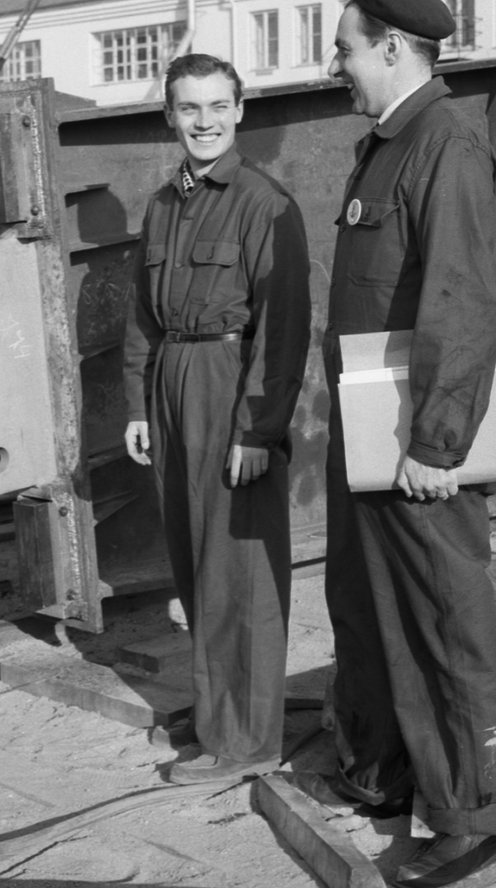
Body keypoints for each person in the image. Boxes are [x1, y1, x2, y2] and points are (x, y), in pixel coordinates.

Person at [317, 0, 496, 887]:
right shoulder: (389, 147)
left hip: (417, 446)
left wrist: (438, 446)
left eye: (347, 49)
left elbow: (463, 301)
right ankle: (390, 773)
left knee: (444, 619)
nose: (338, 66)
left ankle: (472, 815)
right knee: (369, 608)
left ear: (393, 48)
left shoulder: (445, 144)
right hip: (374, 436)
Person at [124, 53, 311, 784]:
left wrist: (257, 429)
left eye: (217, 106)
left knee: (239, 572)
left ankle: (245, 741)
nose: (204, 121)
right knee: (195, 560)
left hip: (230, 385)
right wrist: (140, 404)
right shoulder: (163, 203)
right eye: (189, 108)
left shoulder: (264, 203)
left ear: (239, 111)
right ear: (170, 116)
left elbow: (284, 328)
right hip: (173, 384)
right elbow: (143, 315)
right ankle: (216, 710)